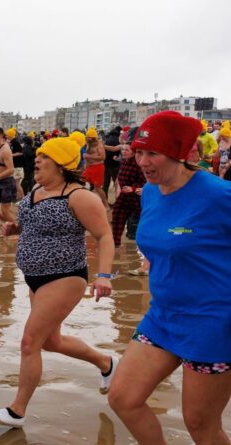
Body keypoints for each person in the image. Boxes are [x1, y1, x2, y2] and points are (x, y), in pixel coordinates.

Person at [108, 111, 231, 444]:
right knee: (123, 398)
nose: (143, 161)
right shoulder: (151, 191)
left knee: (201, 425)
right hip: (163, 316)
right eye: (139, 152)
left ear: (181, 153)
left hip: (213, 323)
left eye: (153, 153)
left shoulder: (219, 195)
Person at [0, 136, 117, 428]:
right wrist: (15, 228)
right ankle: (106, 363)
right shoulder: (35, 189)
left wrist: (104, 275)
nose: (37, 161)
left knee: (30, 342)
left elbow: (104, 236)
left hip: (65, 276)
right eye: (38, 158)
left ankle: (17, 410)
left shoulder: (80, 196)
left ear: (60, 164)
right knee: (51, 341)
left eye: (43, 158)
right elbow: (33, 223)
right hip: (34, 277)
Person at [110, 128, 145, 247]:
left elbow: (145, 182)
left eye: (127, 150)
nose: (123, 152)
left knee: (144, 219)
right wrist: (119, 191)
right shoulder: (124, 161)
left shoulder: (139, 164)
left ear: (133, 152)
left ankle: (142, 243)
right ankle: (114, 243)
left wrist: (133, 189)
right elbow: (119, 179)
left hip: (137, 197)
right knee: (117, 216)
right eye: (123, 150)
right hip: (124, 196)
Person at [81, 128, 109, 208]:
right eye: (87, 137)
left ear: (93, 138)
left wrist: (88, 156)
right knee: (81, 181)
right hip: (89, 167)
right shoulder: (89, 143)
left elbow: (103, 157)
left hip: (98, 167)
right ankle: (86, 202)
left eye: (89, 137)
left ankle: (106, 205)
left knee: (98, 188)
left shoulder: (99, 145)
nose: (87, 138)